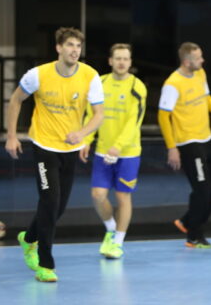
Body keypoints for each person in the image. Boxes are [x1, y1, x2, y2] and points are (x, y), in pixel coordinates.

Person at [6, 27, 104, 282]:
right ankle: (46, 264)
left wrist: (81, 133)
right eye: (70, 45)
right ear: (58, 48)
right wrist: (12, 136)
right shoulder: (37, 75)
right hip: (44, 146)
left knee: (58, 207)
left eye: (78, 46)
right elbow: (16, 100)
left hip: (70, 149)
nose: (74, 50)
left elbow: (99, 115)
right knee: (49, 202)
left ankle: (28, 239)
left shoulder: (90, 76)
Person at [159, 42, 211, 248]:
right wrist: (172, 147)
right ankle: (194, 235)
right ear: (187, 62)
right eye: (198, 58)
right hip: (188, 143)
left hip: (206, 138)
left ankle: (188, 220)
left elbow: (206, 98)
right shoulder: (172, 84)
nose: (203, 61)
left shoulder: (200, 73)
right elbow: (163, 117)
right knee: (202, 189)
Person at [80, 44, 147, 259]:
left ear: (130, 62)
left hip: (127, 152)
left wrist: (118, 146)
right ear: (110, 61)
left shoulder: (138, 87)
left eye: (125, 59)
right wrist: (86, 139)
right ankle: (111, 229)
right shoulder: (100, 83)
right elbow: (91, 113)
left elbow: (133, 122)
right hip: (102, 150)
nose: (121, 62)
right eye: (118, 58)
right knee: (97, 195)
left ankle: (118, 242)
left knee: (122, 196)